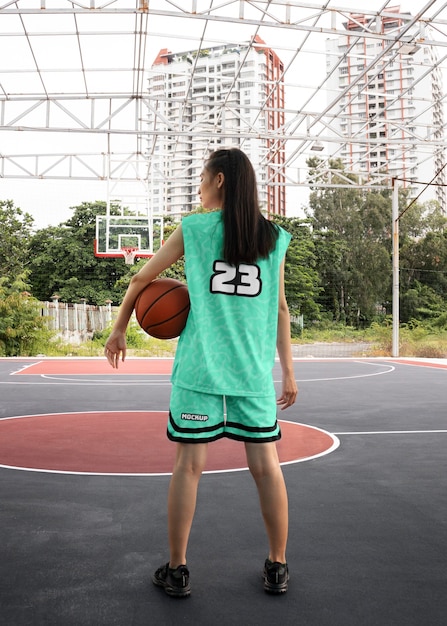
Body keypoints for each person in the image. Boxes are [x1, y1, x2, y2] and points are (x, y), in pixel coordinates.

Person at [105, 148, 298, 597]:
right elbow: (282, 309)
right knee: (267, 468)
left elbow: (139, 281)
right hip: (252, 374)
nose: (198, 187)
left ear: (221, 182)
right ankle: (277, 565)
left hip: (199, 372)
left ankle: (177, 569)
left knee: (188, 467)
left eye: (202, 178)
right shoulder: (275, 238)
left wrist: (119, 329)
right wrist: (287, 371)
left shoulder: (193, 229)